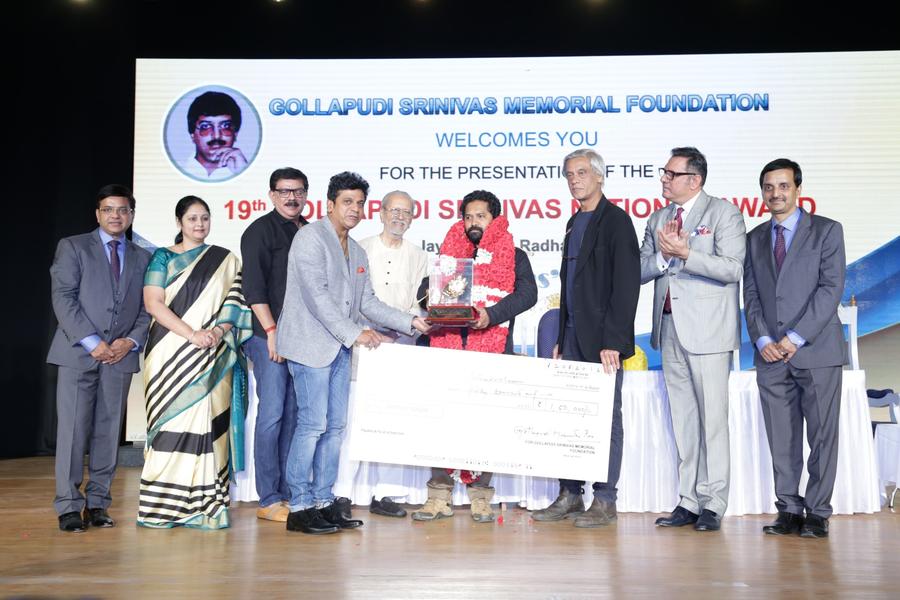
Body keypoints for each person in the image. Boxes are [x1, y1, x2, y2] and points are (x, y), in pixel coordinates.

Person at [277, 171, 431, 535]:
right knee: (312, 425)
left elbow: (367, 302)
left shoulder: (357, 250)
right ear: (330, 204)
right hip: (310, 344)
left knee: (335, 428)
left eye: (360, 202)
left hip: (340, 348)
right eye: (347, 202)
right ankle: (299, 507)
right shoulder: (309, 238)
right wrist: (355, 333)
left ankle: (323, 501)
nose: (354, 208)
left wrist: (411, 322)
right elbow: (317, 298)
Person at [411, 189, 537, 524]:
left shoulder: (514, 255)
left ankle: (481, 497)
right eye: (467, 217)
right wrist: (431, 293)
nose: (472, 223)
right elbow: (425, 292)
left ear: (494, 219)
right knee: (441, 423)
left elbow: (528, 294)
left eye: (480, 216)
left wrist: (492, 315)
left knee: (487, 424)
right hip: (447, 349)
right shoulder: (450, 256)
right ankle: (438, 496)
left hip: (491, 350)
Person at [531, 149, 640, 528]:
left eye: (580, 173)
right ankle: (570, 493)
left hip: (603, 343)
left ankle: (605, 499)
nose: (574, 180)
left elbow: (625, 288)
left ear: (599, 177)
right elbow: (569, 287)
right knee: (569, 419)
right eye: (568, 174)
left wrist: (613, 340)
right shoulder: (571, 223)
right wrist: (560, 336)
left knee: (606, 420)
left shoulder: (617, 222)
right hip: (573, 338)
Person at [639, 147, 746, 533]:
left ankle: (714, 502)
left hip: (709, 331)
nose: (663, 179)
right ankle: (688, 499)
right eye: (663, 173)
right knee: (683, 420)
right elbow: (639, 268)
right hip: (669, 328)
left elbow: (733, 269)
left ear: (694, 180)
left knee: (712, 420)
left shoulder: (724, 214)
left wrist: (687, 253)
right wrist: (666, 260)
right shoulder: (658, 218)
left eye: (670, 173)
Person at [744, 158, 846, 539]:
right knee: (781, 437)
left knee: (822, 436)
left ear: (798, 189)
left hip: (816, 351)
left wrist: (795, 337)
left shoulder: (827, 231)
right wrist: (764, 339)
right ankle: (788, 508)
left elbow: (830, 289)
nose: (776, 194)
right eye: (769, 187)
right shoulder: (754, 238)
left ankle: (818, 511)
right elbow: (750, 295)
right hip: (771, 356)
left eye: (783, 186)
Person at [138, 196, 253, 529]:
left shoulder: (226, 260)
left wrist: (216, 333)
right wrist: (192, 335)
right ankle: (162, 507)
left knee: (207, 426)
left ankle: (207, 506)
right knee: (170, 427)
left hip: (212, 352)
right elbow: (153, 304)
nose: (199, 224)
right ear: (179, 223)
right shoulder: (162, 257)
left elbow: (236, 304)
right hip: (169, 352)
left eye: (205, 218)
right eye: (192, 219)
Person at [48, 184, 152, 533]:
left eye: (122, 210)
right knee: (74, 433)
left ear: (131, 215)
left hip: (120, 357)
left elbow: (146, 309)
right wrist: (93, 343)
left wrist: (130, 342)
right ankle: (68, 506)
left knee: (108, 435)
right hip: (79, 354)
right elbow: (63, 298)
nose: (115, 216)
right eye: (108, 209)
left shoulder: (143, 256)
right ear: (97, 214)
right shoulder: (74, 247)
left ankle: (97, 504)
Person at [240, 168, 309, 523]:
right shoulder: (258, 232)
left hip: (303, 341)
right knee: (272, 415)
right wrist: (271, 331)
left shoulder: (310, 231)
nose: (291, 197)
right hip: (268, 337)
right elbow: (254, 289)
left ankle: (288, 493)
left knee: (295, 417)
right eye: (284, 192)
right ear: (271, 195)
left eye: (297, 191)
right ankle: (268, 498)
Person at [356, 190, 429, 518]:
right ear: (381, 213)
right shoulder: (361, 248)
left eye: (407, 212)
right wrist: (369, 331)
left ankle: (388, 493)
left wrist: (398, 331)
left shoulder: (418, 255)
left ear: (413, 218)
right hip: (362, 342)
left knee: (394, 419)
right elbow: (353, 297)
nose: (400, 217)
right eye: (394, 211)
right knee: (351, 419)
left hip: (400, 346)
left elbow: (418, 304)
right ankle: (346, 492)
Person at [182, 91, 248, 180]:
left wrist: (244, 173)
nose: (216, 136)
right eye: (206, 127)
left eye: (225, 126)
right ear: (192, 134)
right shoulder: (181, 170)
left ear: (235, 134)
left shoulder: (242, 169)